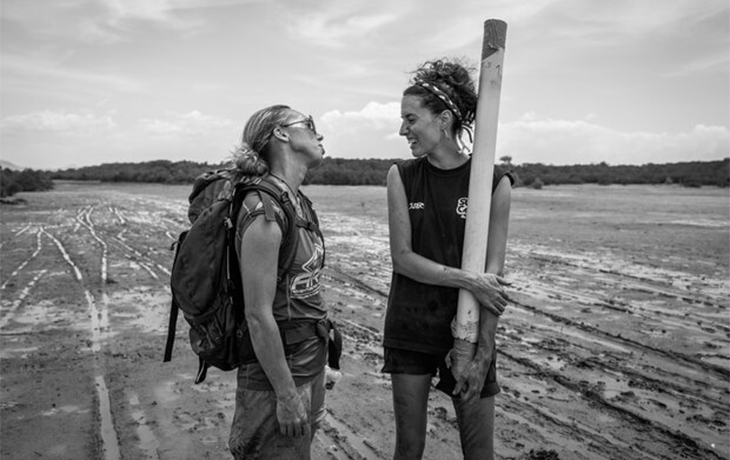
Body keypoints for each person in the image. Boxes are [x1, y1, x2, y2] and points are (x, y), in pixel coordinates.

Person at [382, 59, 513, 460]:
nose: (403, 129)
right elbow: (403, 259)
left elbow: (492, 277)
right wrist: (467, 280)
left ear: (443, 119)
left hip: (470, 332)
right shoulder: (402, 176)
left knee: (479, 454)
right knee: (409, 450)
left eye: (410, 118)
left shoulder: (494, 181)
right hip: (411, 324)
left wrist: (484, 352)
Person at [227, 104, 331, 459]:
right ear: (282, 134)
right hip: (278, 380)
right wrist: (286, 395)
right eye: (310, 124)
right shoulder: (264, 213)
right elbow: (257, 315)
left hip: (308, 366)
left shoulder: (296, 202)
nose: (319, 133)